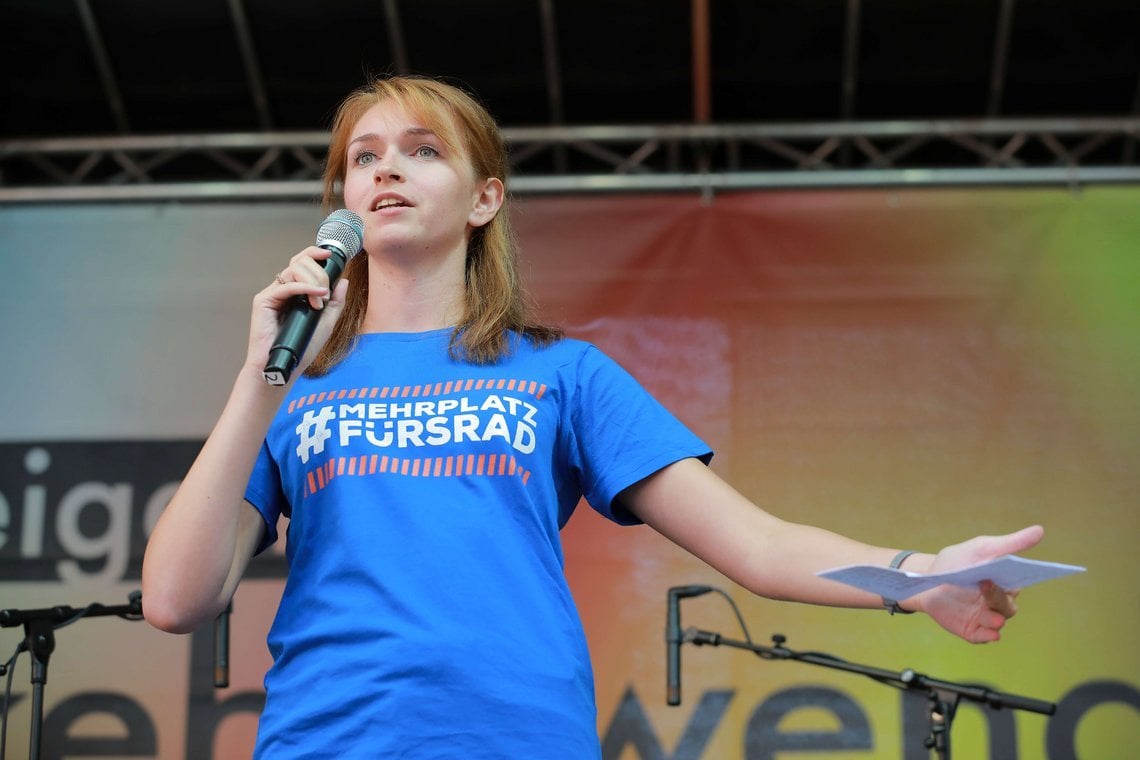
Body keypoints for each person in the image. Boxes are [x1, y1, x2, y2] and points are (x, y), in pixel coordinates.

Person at [141, 75, 1045, 758]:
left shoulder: (559, 374)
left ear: (484, 198)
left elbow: (757, 547)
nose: (385, 170)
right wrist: (262, 377)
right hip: (325, 741)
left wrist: (919, 576)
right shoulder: (295, 389)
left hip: (518, 737)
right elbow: (176, 600)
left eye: (422, 151)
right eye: (362, 158)